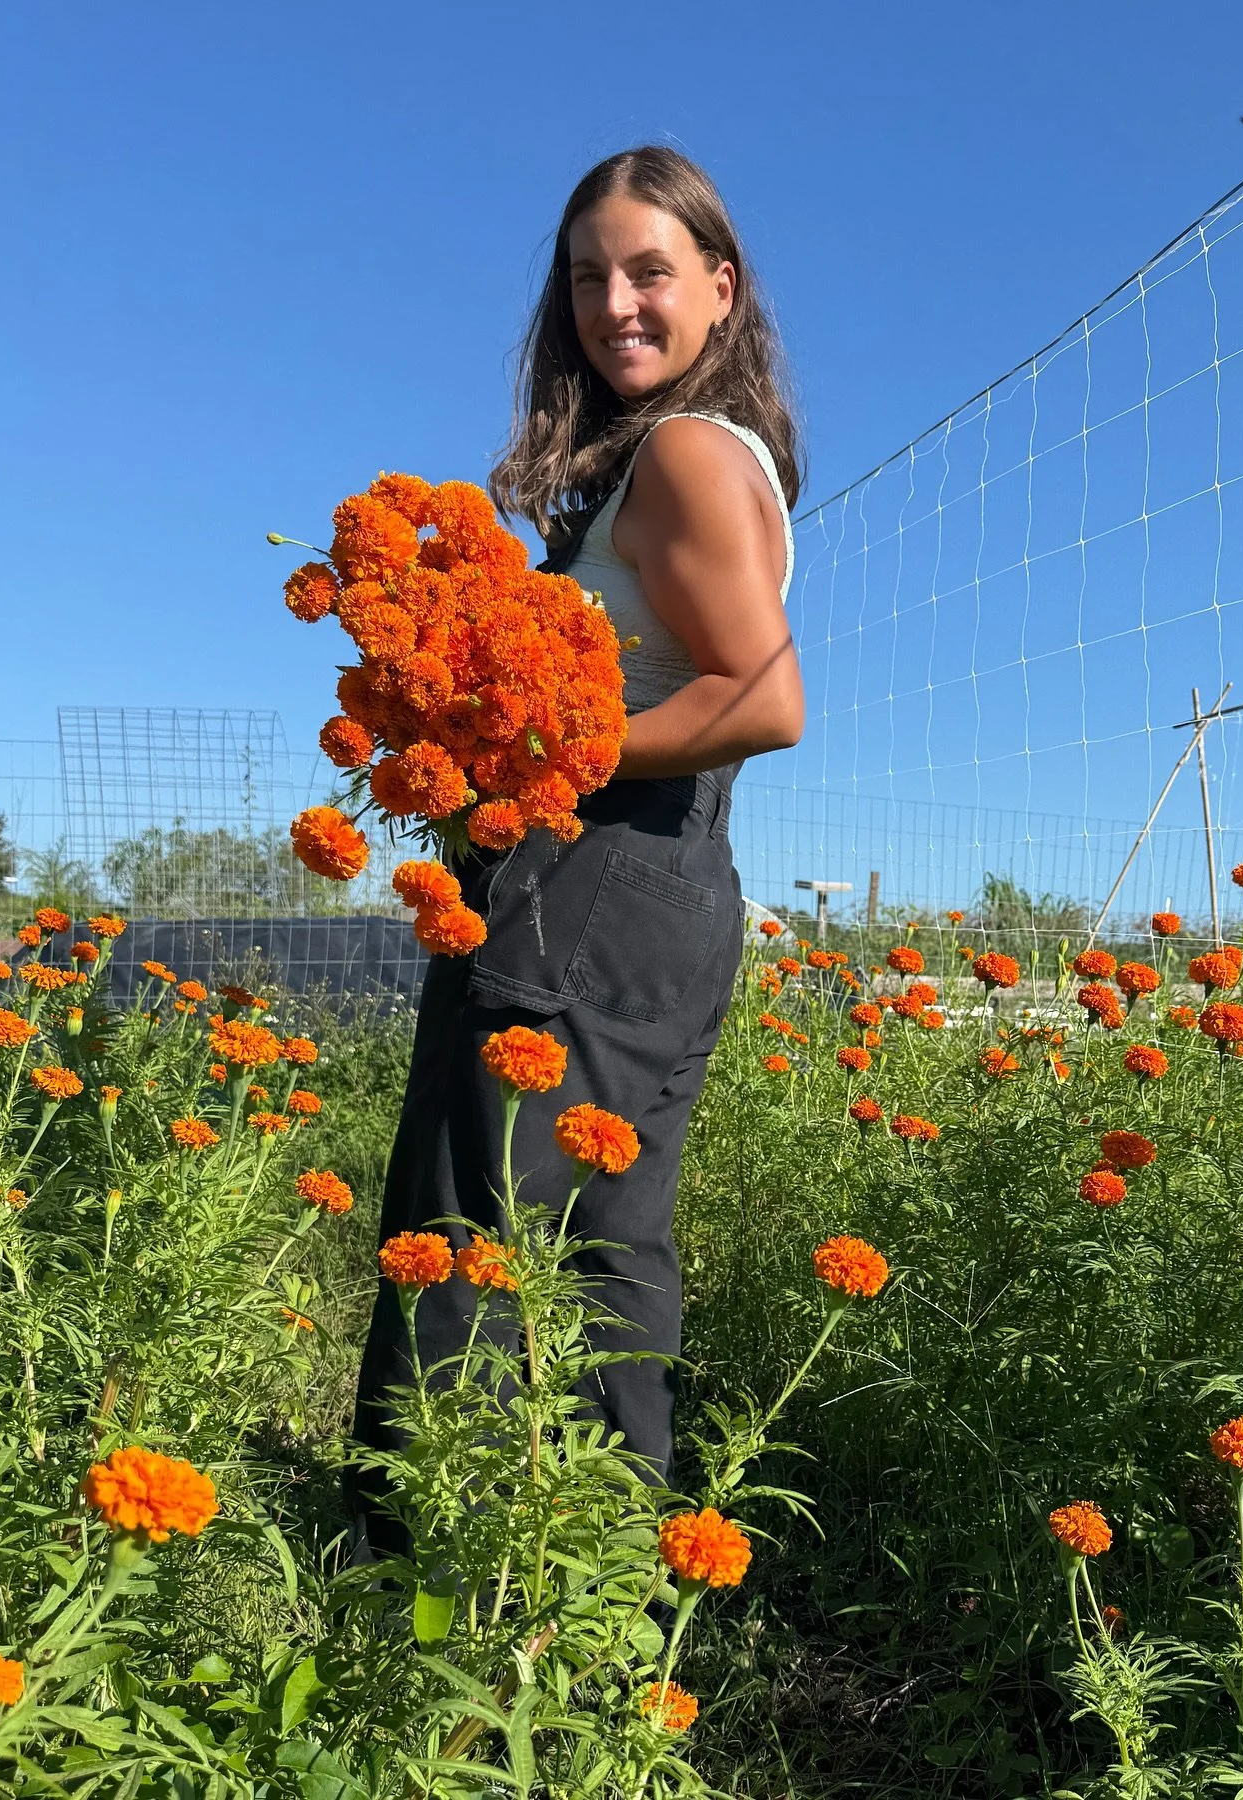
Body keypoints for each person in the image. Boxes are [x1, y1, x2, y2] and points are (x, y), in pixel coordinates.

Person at [352, 145, 803, 1537]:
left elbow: (764, 697)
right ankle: (594, 1588)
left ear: (720, 291)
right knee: (603, 1255)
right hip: (666, 887)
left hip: (596, 880)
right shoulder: (698, 454)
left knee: (473, 1233)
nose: (617, 303)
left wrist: (536, 754)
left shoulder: (679, 452)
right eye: (588, 277)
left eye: (651, 272)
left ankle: (419, 1584)